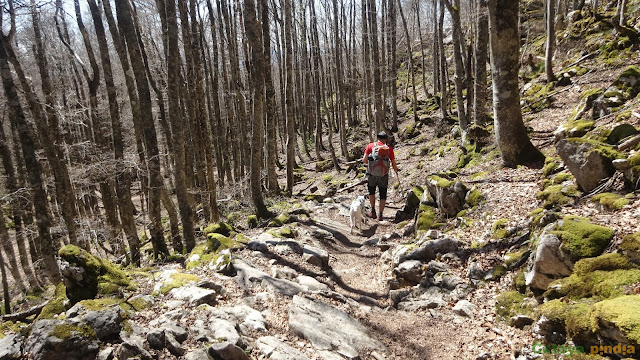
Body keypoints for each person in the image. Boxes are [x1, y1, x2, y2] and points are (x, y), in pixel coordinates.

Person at [362, 131, 398, 221]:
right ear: (386, 139)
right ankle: (380, 215)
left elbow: (364, 160)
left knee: (372, 192)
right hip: (384, 175)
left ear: (377, 138)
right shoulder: (389, 148)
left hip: (372, 174)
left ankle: (373, 211)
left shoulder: (370, 146)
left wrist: (372, 161)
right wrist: (396, 171)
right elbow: (393, 163)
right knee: (382, 194)